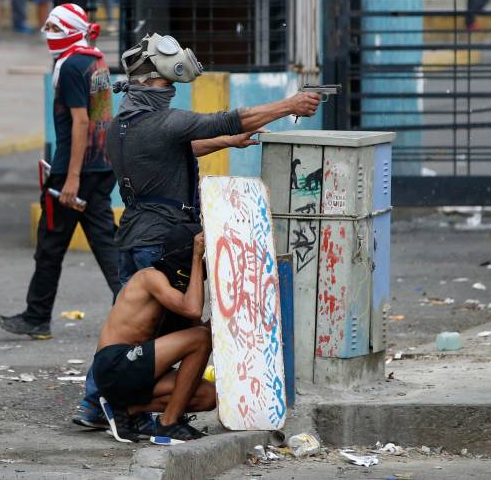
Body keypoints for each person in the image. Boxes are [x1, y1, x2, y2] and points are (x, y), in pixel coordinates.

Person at [72, 32, 320, 427]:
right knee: (176, 327)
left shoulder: (123, 125)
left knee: (127, 325)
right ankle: (157, 413)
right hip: (162, 242)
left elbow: (175, 150)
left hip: (133, 236)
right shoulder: (165, 122)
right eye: (168, 83)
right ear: (152, 84)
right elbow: (226, 118)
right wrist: (290, 104)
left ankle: (94, 403)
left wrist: (225, 143)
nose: (171, 91)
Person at [0, 3, 120, 340]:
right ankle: (129, 310)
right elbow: (102, 116)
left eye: (53, 30)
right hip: (101, 166)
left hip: (74, 171)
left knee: (50, 244)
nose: (48, 37)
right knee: (105, 243)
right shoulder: (94, 58)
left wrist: (72, 179)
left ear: (67, 32)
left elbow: (81, 122)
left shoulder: (69, 67)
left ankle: (37, 317)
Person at [93, 224, 216, 444]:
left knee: (208, 395)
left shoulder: (178, 292)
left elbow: (198, 332)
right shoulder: (150, 278)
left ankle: (127, 409)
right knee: (201, 338)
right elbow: (194, 312)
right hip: (116, 365)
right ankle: (168, 424)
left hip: (140, 372)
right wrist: (197, 257)